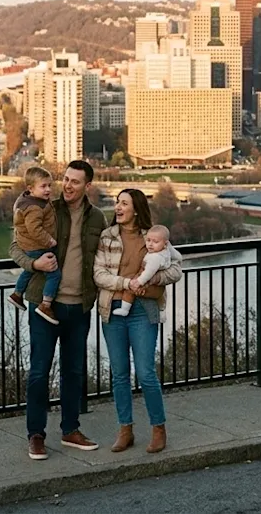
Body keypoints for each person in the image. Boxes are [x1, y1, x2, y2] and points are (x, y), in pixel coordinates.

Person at [8, 159, 107, 461]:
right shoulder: (47, 210)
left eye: (75, 181)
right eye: (65, 179)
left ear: (87, 186)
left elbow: (107, 258)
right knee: (39, 372)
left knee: (74, 372)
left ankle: (70, 429)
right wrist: (33, 264)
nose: (67, 185)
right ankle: (36, 435)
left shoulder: (97, 219)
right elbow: (15, 247)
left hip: (79, 307)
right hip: (44, 306)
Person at [93, 189, 183, 454]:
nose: (118, 208)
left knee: (145, 372)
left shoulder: (153, 236)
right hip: (113, 308)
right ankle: (125, 429)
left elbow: (176, 268)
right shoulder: (107, 237)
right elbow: (98, 274)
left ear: (136, 209)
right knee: (119, 373)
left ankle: (158, 428)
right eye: (117, 203)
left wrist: (153, 279)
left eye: (124, 204)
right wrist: (126, 283)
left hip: (144, 310)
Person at [8, 165, 61, 324]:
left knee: (28, 271)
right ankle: (45, 304)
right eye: (43, 186)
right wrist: (49, 241)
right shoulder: (34, 207)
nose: (48, 190)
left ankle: (17, 294)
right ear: (30, 188)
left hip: (29, 247)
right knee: (54, 274)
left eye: (49, 185)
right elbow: (34, 229)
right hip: (37, 246)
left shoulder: (28, 201)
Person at [111, 224, 173, 318]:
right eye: (148, 240)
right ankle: (161, 311)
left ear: (165, 244)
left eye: (155, 242)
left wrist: (139, 282)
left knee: (130, 290)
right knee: (158, 295)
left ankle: (124, 309)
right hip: (153, 285)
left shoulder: (155, 257)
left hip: (146, 279)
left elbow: (149, 272)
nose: (150, 244)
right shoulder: (163, 252)